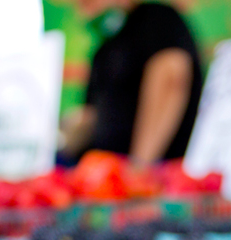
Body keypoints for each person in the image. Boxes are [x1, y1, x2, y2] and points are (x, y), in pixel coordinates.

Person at [61, 0, 204, 165]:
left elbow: (171, 80)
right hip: (105, 169)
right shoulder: (104, 49)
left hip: (154, 170)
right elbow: (91, 115)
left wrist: (140, 165)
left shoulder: (156, 18)